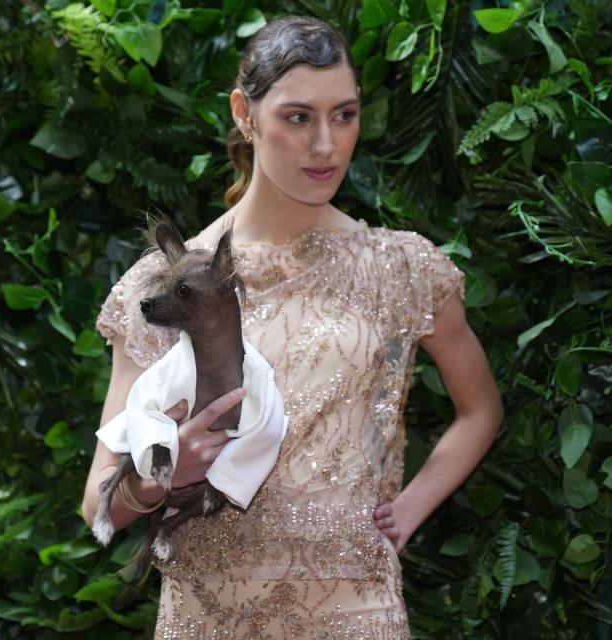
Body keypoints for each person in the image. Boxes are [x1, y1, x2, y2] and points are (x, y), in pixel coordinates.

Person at [81, 15, 503, 639]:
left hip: (356, 609)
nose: (327, 146)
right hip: (207, 614)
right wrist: (163, 476)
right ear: (244, 114)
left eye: (345, 115)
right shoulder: (165, 285)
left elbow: (481, 409)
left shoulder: (404, 268)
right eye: (299, 117)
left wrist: (409, 509)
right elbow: (99, 508)